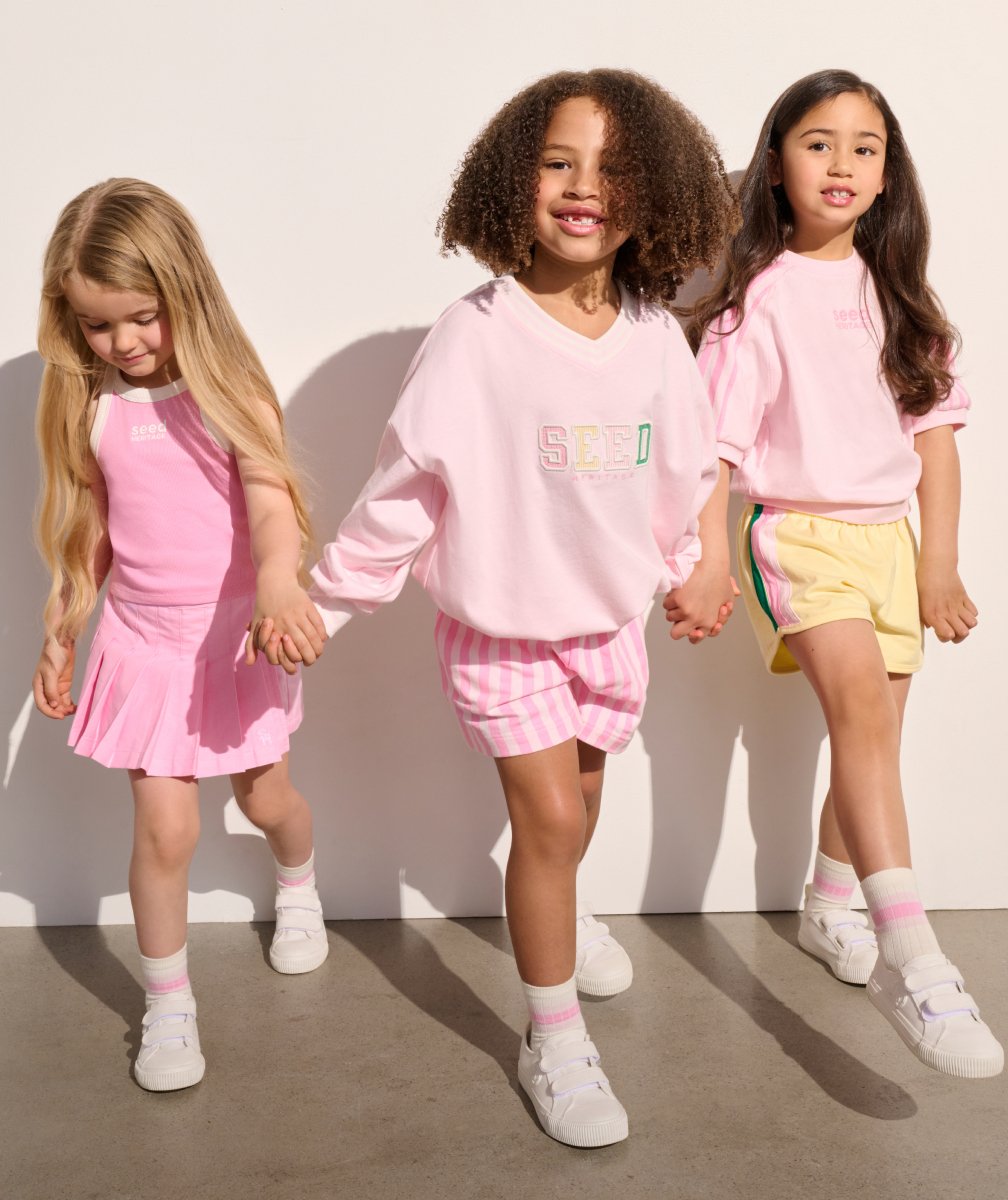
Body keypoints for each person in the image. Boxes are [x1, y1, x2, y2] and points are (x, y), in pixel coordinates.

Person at [257, 69, 737, 1145]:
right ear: (513, 180)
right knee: (551, 821)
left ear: (656, 191)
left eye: (612, 169)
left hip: (609, 629)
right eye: (558, 163)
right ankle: (553, 1038)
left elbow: (693, 467)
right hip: (503, 634)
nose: (584, 187)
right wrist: (328, 604)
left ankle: (563, 912)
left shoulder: (655, 335)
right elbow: (407, 487)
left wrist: (699, 565)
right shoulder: (476, 335)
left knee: (577, 817)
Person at [674, 69, 1003, 1078]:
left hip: (888, 541)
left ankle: (830, 902)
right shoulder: (756, 305)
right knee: (860, 712)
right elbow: (713, 451)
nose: (843, 164)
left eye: (866, 147)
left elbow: (937, 441)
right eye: (819, 143)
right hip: (796, 535)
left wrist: (938, 562)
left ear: (887, 174)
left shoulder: (902, 297)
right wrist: (704, 561)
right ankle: (920, 963)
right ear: (776, 166)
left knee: (874, 740)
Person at [32, 179, 330, 1092]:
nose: (122, 342)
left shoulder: (230, 392)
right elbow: (87, 531)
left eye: (141, 317)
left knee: (268, 801)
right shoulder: (90, 406)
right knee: (165, 831)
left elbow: (271, 507)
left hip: (237, 643)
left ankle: (298, 881)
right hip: (145, 647)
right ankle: (168, 1005)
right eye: (97, 325)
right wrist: (61, 629)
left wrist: (277, 582)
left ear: (184, 293)